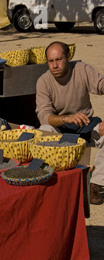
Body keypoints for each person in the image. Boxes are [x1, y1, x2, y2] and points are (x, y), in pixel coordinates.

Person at [36, 41, 104, 205]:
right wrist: (66, 118)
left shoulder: (81, 69)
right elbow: (44, 116)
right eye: (51, 61)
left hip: (86, 123)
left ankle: (95, 184)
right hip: (61, 127)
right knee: (44, 130)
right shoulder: (43, 81)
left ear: (68, 57)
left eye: (58, 59)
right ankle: (51, 180)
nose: (55, 65)